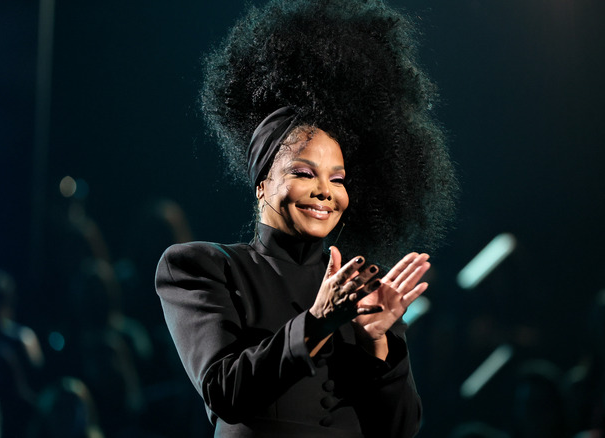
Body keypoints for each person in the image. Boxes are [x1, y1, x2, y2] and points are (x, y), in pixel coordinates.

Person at [156, 0, 457, 436]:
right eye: (303, 172)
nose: (325, 191)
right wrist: (318, 319)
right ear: (262, 182)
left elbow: (401, 430)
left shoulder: (363, 288)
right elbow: (225, 391)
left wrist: (379, 344)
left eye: (338, 179)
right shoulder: (201, 267)